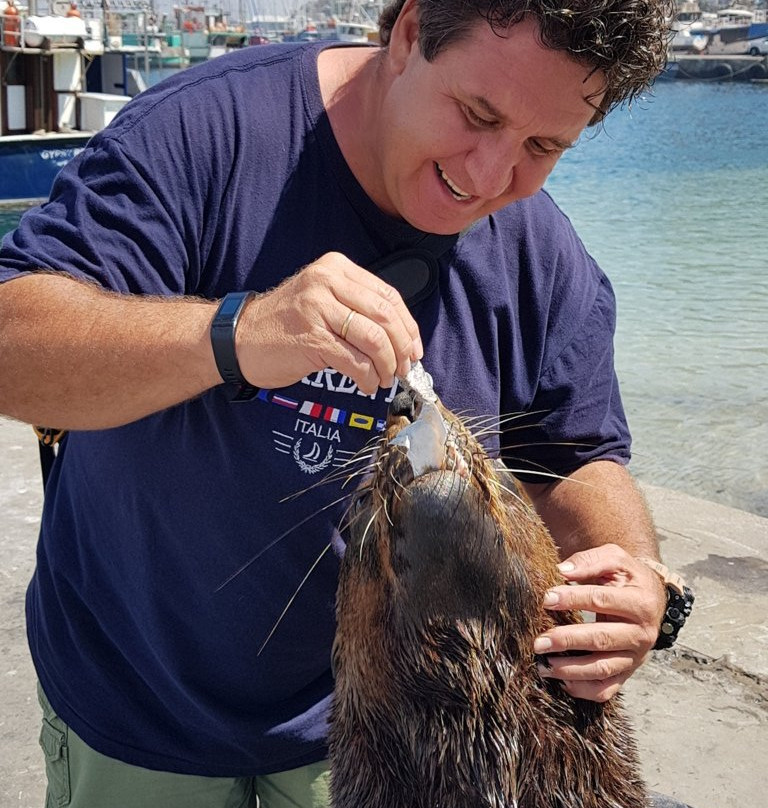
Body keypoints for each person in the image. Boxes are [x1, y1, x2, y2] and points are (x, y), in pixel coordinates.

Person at [0, 0, 687, 806]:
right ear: (408, 33)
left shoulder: (542, 258)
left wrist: (633, 578)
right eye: (477, 112)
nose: (490, 175)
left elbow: (576, 459)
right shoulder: (202, 135)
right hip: (137, 695)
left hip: (374, 725)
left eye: (543, 146)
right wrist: (238, 334)